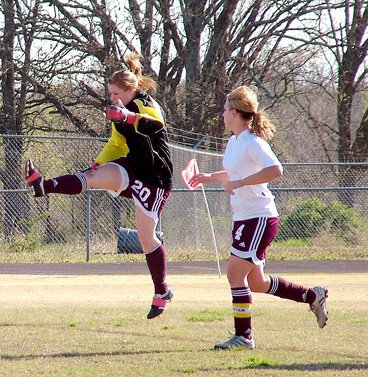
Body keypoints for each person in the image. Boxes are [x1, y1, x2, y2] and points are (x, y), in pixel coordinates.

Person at [24, 52, 174, 320]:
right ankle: (42, 186)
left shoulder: (144, 103)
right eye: (110, 94)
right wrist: (97, 163)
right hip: (132, 167)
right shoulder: (120, 112)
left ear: (130, 90)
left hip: (155, 177)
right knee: (91, 177)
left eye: (116, 93)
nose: (113, 99)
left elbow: (155, 124)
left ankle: (161, 291)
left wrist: (127, 116)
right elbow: (116, 144)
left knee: (146, 238)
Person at [189, 85, 328, 350]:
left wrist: (240, 182)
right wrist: (208, 177)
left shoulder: (253, 142)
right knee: (257, 282)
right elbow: (234, 174)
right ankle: (313, 295)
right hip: (245, 218)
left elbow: (276, 169)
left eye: (224, 109)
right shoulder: (234, 142)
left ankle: (244, 337)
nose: (222, 114)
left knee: (234, 274)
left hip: (259, 217)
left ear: (234, 112)